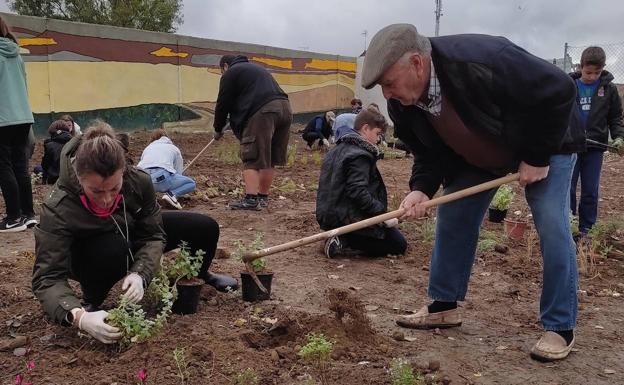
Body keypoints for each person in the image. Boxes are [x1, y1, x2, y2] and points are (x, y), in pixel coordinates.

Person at [362, 24, 585, 362]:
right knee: (454, 216)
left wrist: (537, 156)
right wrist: (420, 189)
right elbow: (427, 153)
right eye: (383, 87)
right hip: (482, 156)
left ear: (418, 64)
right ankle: (444, 306)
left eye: (389, 83)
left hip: (545, 145)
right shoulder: (402, 104)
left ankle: (560, 325)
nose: (387, 94)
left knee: (553, 223)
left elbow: (559, 88)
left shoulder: (485, 59)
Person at [32, 121, 237, 344]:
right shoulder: (58, 206)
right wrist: (78, 316)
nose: (107, 198)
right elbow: (48, 277)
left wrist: (140, 273)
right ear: (79, 178)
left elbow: (153, 234)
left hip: (127, 236)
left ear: (122, 173)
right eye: (96, 191)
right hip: (88, 253)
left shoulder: (137, 181)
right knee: (112, 248)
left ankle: (196, 276)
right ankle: (92, 300)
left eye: (113, 188)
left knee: (203, 227)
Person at [316, 108, 407, 258]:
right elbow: (358, 192)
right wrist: (381, 214)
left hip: (330, 216)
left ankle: (337, 236)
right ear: (365, 128)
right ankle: (344, 239)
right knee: (398, 244)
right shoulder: (359, 155)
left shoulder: (336, 150)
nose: (378, 139)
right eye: (378, 133)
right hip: (347, 218)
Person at [213, 54, 293, 210]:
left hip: (264, 111)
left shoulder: (231, 73)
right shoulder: (256, 70)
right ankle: (262, 198)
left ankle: (251, 199)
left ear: (225, 66)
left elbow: (222, 103)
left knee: (252, 156)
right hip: (285, 109)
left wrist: (218, 128)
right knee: (270, 158)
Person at [569, 46, 624, 237]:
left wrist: (618, 137)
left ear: (603, 68)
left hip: (595, 147)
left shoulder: (608, 90)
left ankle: (586, 228)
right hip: (571, 146)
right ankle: (569, 223)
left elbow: (615, 117)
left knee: (590, 190)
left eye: (597, 72)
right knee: (568, 187)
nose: (592, 76)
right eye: (588, 72)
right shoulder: (569, 85)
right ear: (580, 67)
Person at [0, 16, 36, 232]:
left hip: (3, 118)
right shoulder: (15, 52)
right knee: (20, 165)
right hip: (23, 116)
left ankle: (13, 218)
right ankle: (28, 214)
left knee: (3, 166)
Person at [137, 129, 196, 210]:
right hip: (161, 178)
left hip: (142, 180)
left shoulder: (148, 148)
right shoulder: (173, 148)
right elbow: (178, 172)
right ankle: (171, 195)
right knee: (191, 183)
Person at [41, 120, 74, 184]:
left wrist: (44, 179)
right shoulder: (74, 142)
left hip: (55, 178)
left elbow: (45, 165)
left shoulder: (50, 145)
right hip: (72, 178)